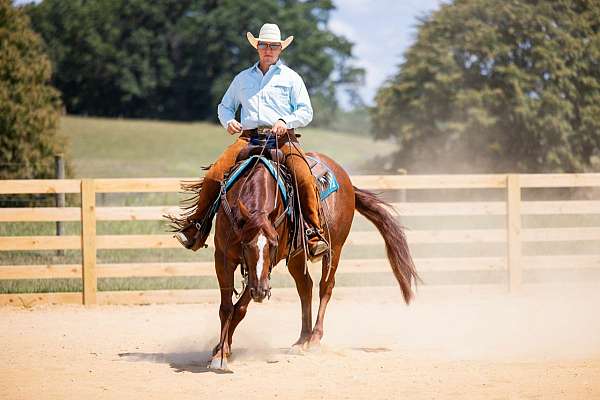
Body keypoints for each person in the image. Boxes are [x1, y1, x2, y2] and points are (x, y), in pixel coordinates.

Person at [175, 23, 328, 259]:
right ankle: (197, 226)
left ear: (280, 49)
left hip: (282, 139)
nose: (269, 49)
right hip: (248, 137)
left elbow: (306, 112)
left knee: (305, 178)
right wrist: (229, 122)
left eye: (274, 46)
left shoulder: (291, 78)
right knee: (214, 174)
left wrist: (285, 121)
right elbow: (225, 107)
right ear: (257, 47)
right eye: (264, 45)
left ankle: (312, 233)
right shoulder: (242, 78)